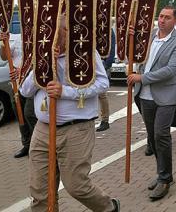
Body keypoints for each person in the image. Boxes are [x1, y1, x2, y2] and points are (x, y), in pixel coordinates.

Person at [20, 14, 120, 211]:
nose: (57, 35)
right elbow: (25, 90)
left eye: (62, 30)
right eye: (54, 30)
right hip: (43, 130)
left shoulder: (86, 52)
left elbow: (102, 84)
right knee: (40, 192)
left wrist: (66, 92)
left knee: (76, 186)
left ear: (71, 32)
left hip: (77, 130)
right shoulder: (41, 54)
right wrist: (44, 64)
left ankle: (108, 207)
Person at [128, 6, 176, 201]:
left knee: (161, 134)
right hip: (145, 96)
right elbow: (135, 52)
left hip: (166, 95)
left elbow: (170, 70)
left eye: (167, 18)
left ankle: (164, 179)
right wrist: (130, 37)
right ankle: (163, 173)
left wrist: (141, 78)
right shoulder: (151, 35)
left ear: (175, 21)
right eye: (160, 16)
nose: (162, 20)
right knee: (153, 138)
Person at [0, 30, 37, 158]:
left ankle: (37, 145)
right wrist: (3, 43)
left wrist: (22, 71)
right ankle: (27, 144)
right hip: (16, 85)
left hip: (32, 84)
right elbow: (4, 57)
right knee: (19, 113)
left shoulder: (40, 36)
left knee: (29, 113)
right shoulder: (17, 38)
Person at [97, 28, 116, 132]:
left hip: (101, 62)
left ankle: (105, 120)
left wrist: (107, 63)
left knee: (102, 94)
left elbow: (112, 47)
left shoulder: (107, 27)